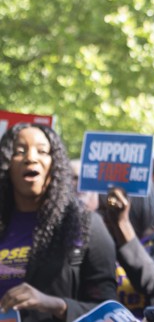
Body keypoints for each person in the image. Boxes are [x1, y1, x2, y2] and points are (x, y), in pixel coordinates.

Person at [0, 123, 117, 321]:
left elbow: (110, 313)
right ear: (6, 165)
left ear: (55, 165)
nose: (30, 158)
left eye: (42, 151)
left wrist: (56, 305)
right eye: (19, 151)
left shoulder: (85, 225)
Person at [100, 187, 154, 317]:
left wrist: (122, 224)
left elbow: (151, 281)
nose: (105, 217)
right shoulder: (104, 240)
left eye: (109, 211)